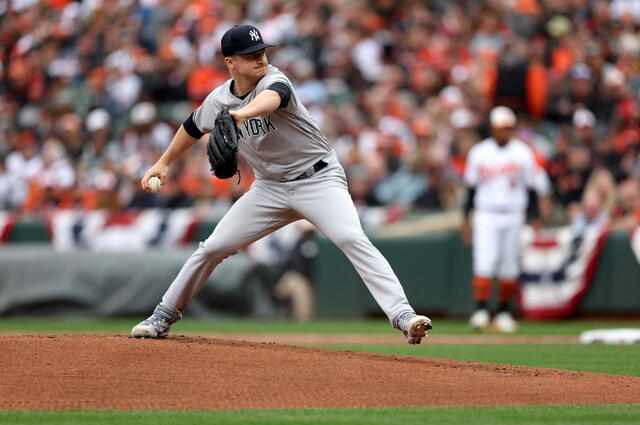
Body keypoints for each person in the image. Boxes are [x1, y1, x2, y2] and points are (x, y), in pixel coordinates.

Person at [130, 25, 431, 344]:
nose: (260, 59)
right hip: (269, 188)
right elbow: (191, 126)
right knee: (213, 247)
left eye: (261, 52)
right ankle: (163, 315)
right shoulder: (218, 100)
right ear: (230, 62)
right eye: (250, 56)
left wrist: (240, 115)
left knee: (351, 237)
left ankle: (403, 314)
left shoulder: (274, 79)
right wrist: (163, 163)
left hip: (318, 179)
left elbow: (276, 98)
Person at [461, 106, 542, 333]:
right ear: (492, 128)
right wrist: (465, 219)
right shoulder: (479, 152)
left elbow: (532, 189)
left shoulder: (523, 153)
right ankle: (481, 311)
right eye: (500, 128)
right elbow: (470, 190)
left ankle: (504, 312)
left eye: (508, 128)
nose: (504, 132)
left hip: (514, 213)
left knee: (509, 265)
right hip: (486, 212)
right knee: (484, 262)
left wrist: (535, 216)